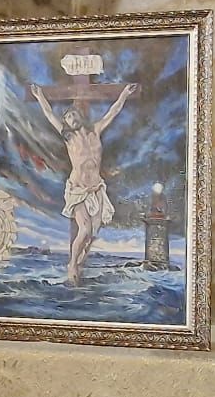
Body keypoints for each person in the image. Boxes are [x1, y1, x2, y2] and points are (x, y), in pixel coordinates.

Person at [29, 81, 136, 286]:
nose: (71, 118)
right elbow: (49, 114)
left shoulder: (95, 130)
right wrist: (40, 96)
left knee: (93, 233)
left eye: (74, 115)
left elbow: (113, 112)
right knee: (84, 229)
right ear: (66, 123)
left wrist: (123, 94)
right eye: (68, 117)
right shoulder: (68, 138)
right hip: (77, 189)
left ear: (80, 117)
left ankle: (80, 263)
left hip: (96, 189)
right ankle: (72, 264)